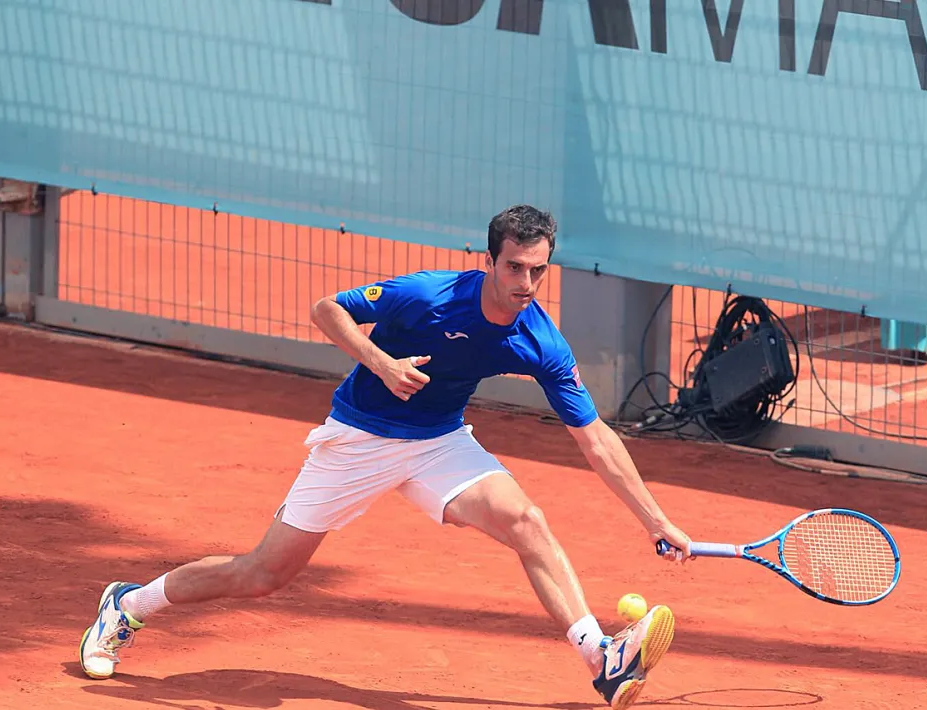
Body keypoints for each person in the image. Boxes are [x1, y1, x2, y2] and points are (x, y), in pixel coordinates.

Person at [78, 204, 694, 709]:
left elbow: (595, 440)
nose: (524, 284)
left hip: (438, 444)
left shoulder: (540, 340)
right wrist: (381, 363)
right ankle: (127, 605)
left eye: (537, 270)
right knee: (264, 574)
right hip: (359, 439)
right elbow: (329, 309)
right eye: (513, 267)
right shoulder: (426, 296)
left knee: (527, 522)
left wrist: (654, 519)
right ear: (490, 260)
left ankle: (602, 660)